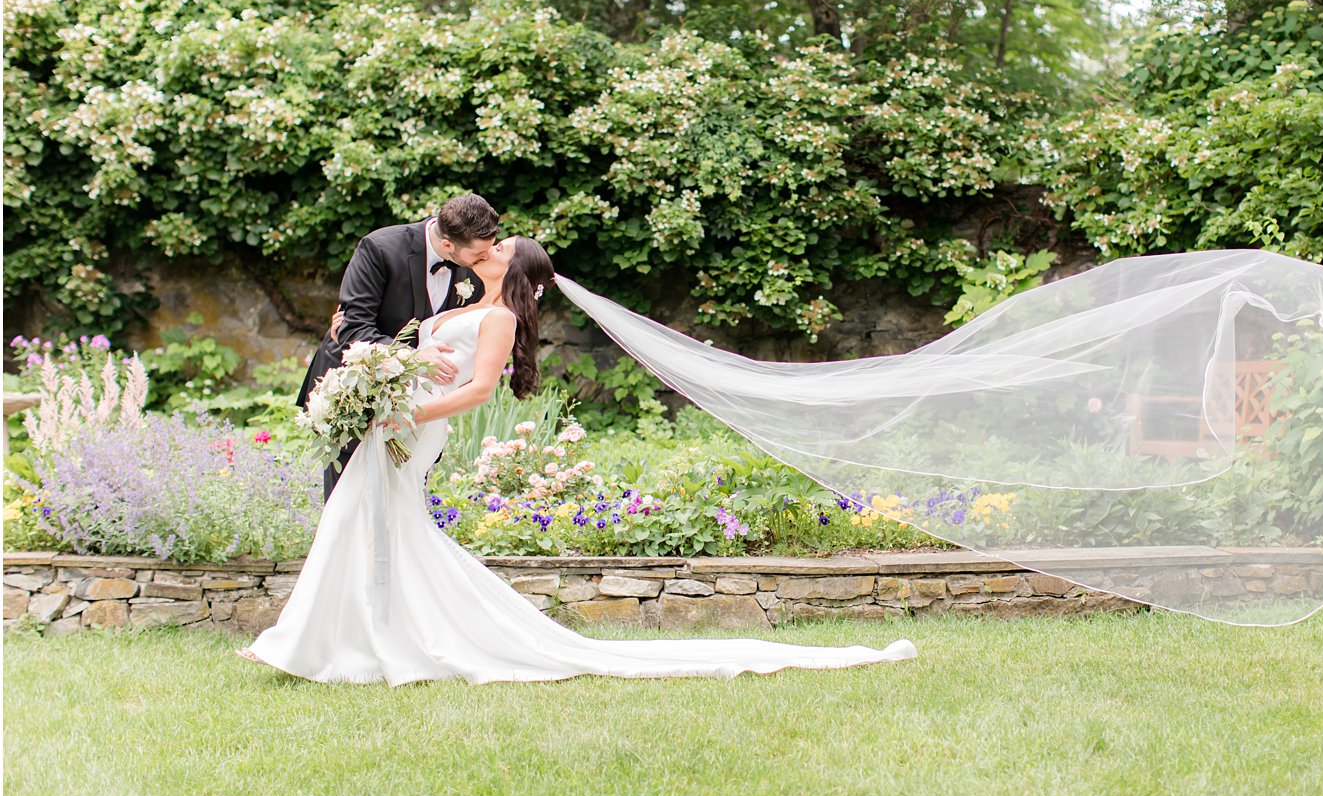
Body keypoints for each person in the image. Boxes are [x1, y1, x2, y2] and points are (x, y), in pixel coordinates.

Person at [238, 235, 918, 684]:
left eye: (498, 246)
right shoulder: (465, 300)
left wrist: (406, 411)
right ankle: (350, 638)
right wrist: (374, 355)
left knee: (373, 518)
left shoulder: (500, 315)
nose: (488, 245)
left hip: (415, 428)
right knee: (363, 519)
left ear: (513, 268)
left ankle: (338, 642)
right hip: (398, 419)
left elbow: (476, 390)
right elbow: (424, 348)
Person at [296, 193, 498, 502]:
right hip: (355, 394)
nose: (486, 258)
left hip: (414, 408)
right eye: (480, 253)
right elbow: (353, 327)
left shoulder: (471, 266)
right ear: (448, 245)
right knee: (350, 501)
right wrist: (412, 356)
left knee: (403, 501)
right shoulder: (380, 248)